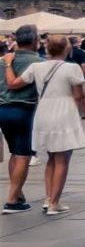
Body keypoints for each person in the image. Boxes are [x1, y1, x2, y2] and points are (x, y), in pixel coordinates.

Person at [5, 35, 85, 215]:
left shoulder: (36, 67)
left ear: (47, 49)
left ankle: (49, 199)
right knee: (62, 159)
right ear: (67, 49)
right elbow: (79, 96)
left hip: (43, 111)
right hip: (64, 111)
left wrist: (8, 64)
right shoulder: (72, 68)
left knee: (51, 158)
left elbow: (13, 84)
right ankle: (54, 202)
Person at [0, 25, 42, 214]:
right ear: (35, 40)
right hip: (25, 110)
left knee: (14, 153)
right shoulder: (40, 62)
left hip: (3, 110)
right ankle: (11, 200)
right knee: (23, 154)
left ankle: (18, 194)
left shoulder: (2, 61)